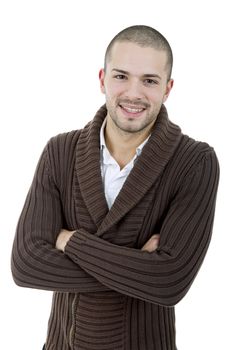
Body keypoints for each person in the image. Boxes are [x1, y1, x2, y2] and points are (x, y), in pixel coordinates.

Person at [11, 25, 219, 350]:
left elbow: (169, 282)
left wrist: (71, 241)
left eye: (149, 80)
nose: (134, 93)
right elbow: (27, 265)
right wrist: (137, 264)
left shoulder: (194, 161)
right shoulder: (60, 151)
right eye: (121, 76)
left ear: (168, 89)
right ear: (102, 79)